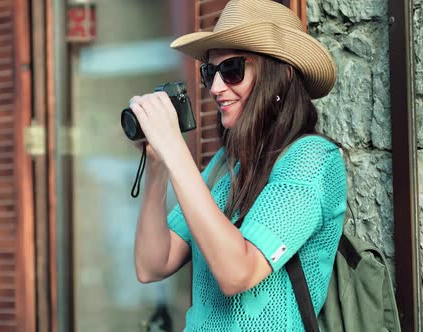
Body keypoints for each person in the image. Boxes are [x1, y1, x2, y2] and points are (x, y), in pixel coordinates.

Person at [129, 0, 347, 330]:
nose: (215, 88)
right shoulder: (226, 166)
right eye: (209, 72)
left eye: (232, 70)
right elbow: (151, 265)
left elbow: (238, 273)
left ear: (282, 75)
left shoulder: (313, 160)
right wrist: (158, 166)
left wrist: (175, 149)